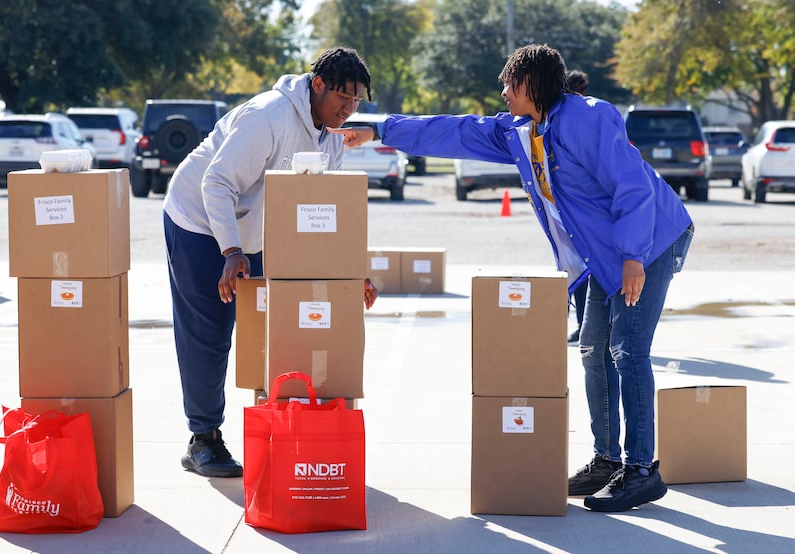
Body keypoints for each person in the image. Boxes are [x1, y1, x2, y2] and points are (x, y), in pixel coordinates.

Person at [332, 44, 693, 512]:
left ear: (533, 83)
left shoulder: (591, 118)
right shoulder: (523, 131)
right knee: (592, 349)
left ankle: (642, 470)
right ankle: (607, 460)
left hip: (650, 242)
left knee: (627, 347)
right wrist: (379, 128)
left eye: (510, 83)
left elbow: (633, 186)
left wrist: (633, 256)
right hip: (606, 256)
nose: (503, 92)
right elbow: (456, 131)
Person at [163, 46, 378, 478]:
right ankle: (202, 439)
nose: (349, 109)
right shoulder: (268, 116)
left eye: (356, 100)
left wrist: (353, 270)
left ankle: (282, 428)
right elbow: (217, 182)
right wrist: (231, 251)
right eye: (342, 98)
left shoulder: (331, 134)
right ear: (317, 85)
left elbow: (323, 208)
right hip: (201, 223)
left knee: (277, 330)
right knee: (210, 333)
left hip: (255, 233)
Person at [564, 69, 588, 344]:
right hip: (575, 212)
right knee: (581, 273)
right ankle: (585, 325)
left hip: (577, 214)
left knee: (580, 273)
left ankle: (585, 325)